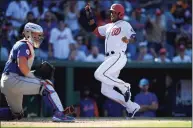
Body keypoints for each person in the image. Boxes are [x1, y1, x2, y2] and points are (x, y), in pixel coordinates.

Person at [0, 22, 75, 122]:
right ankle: (59, 114)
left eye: (39, 35)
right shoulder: (24, 45)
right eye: (36, 34)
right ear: (28, 34)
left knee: (16, 114)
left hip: (9, 80)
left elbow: (20, 69)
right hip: (13, 79)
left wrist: (34, 73)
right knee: (46, 85)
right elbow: (22, 66)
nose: (39, 37)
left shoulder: (23, 45)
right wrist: (36, 78)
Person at [84, 3, 140, 118]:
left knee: (98, 74)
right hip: (109, 58)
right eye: (110, 12)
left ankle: (124, 86)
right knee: (105, 90)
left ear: (120, 13)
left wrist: (128, 40)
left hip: (118, 56)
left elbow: (134, 37)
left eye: (113, 12)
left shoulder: (125, 24)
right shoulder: (108, 26)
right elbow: (95, 30)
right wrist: (89, 16)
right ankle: (131, 106)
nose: (111, 14)